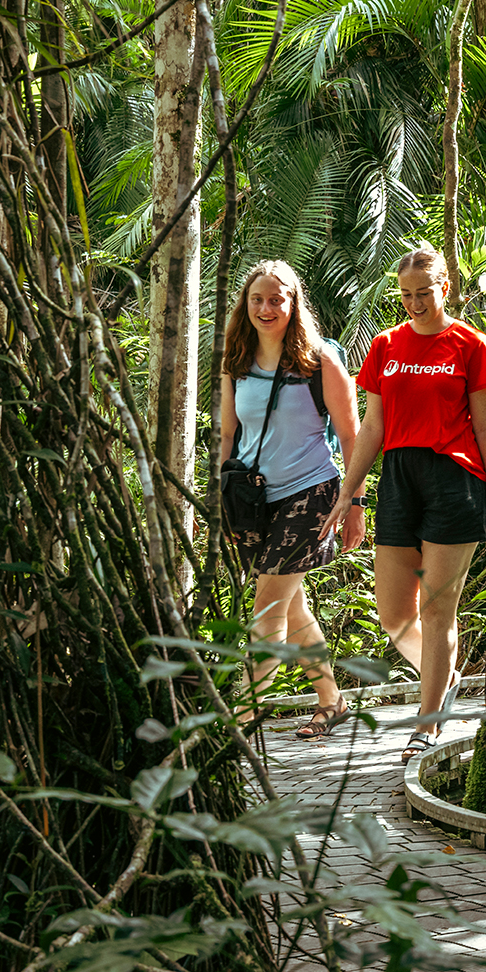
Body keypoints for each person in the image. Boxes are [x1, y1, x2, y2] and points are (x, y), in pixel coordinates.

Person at [320, 246, 486, 762]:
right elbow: (372, 426)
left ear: (445, 287)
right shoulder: (385, 345)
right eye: (407, 294)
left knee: (438, 610)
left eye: (425, 292)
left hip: (455, 480)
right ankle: (447, 676)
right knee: (393, 614)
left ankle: (428, 720)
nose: (415, 303)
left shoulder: (470, 344)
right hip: (398, 477)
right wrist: (348, 493)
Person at [217, 259, 365, 738]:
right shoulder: (236, 360)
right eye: (257, 299)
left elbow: (351, 437)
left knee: (267, 606)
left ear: (293, 303)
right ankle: (332, 701)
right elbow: (227, 436)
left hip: (312, 493)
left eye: (276, 299)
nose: (266, 308)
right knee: (290, 603)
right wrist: (222, 499)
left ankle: (241, 718)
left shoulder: (320, 361)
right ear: (246, 304)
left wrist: (354, 507)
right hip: (255, 501)